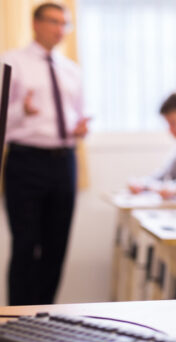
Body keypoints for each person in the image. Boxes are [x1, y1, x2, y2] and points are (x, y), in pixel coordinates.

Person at [1, 2, 89, 305]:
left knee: (57, 246)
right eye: (54, 21)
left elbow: (76, 113)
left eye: (65, 23)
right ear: (36, 23)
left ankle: (44, 316)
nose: (60, 29)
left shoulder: (71, 70)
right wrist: (20, 111)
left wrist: (79, 129)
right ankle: (14, 323)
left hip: (64, 162)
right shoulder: (11, 62)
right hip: (26, 162)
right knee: (25, 245)